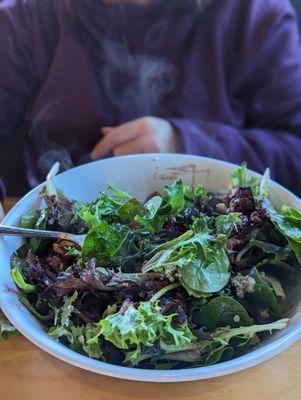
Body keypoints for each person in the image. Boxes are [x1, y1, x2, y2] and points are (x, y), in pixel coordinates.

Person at [0, 0, 301, 203]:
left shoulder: (257, 17)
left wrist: (184, 143)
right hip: (49, 233)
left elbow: (294, 154)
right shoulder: (27, 17)